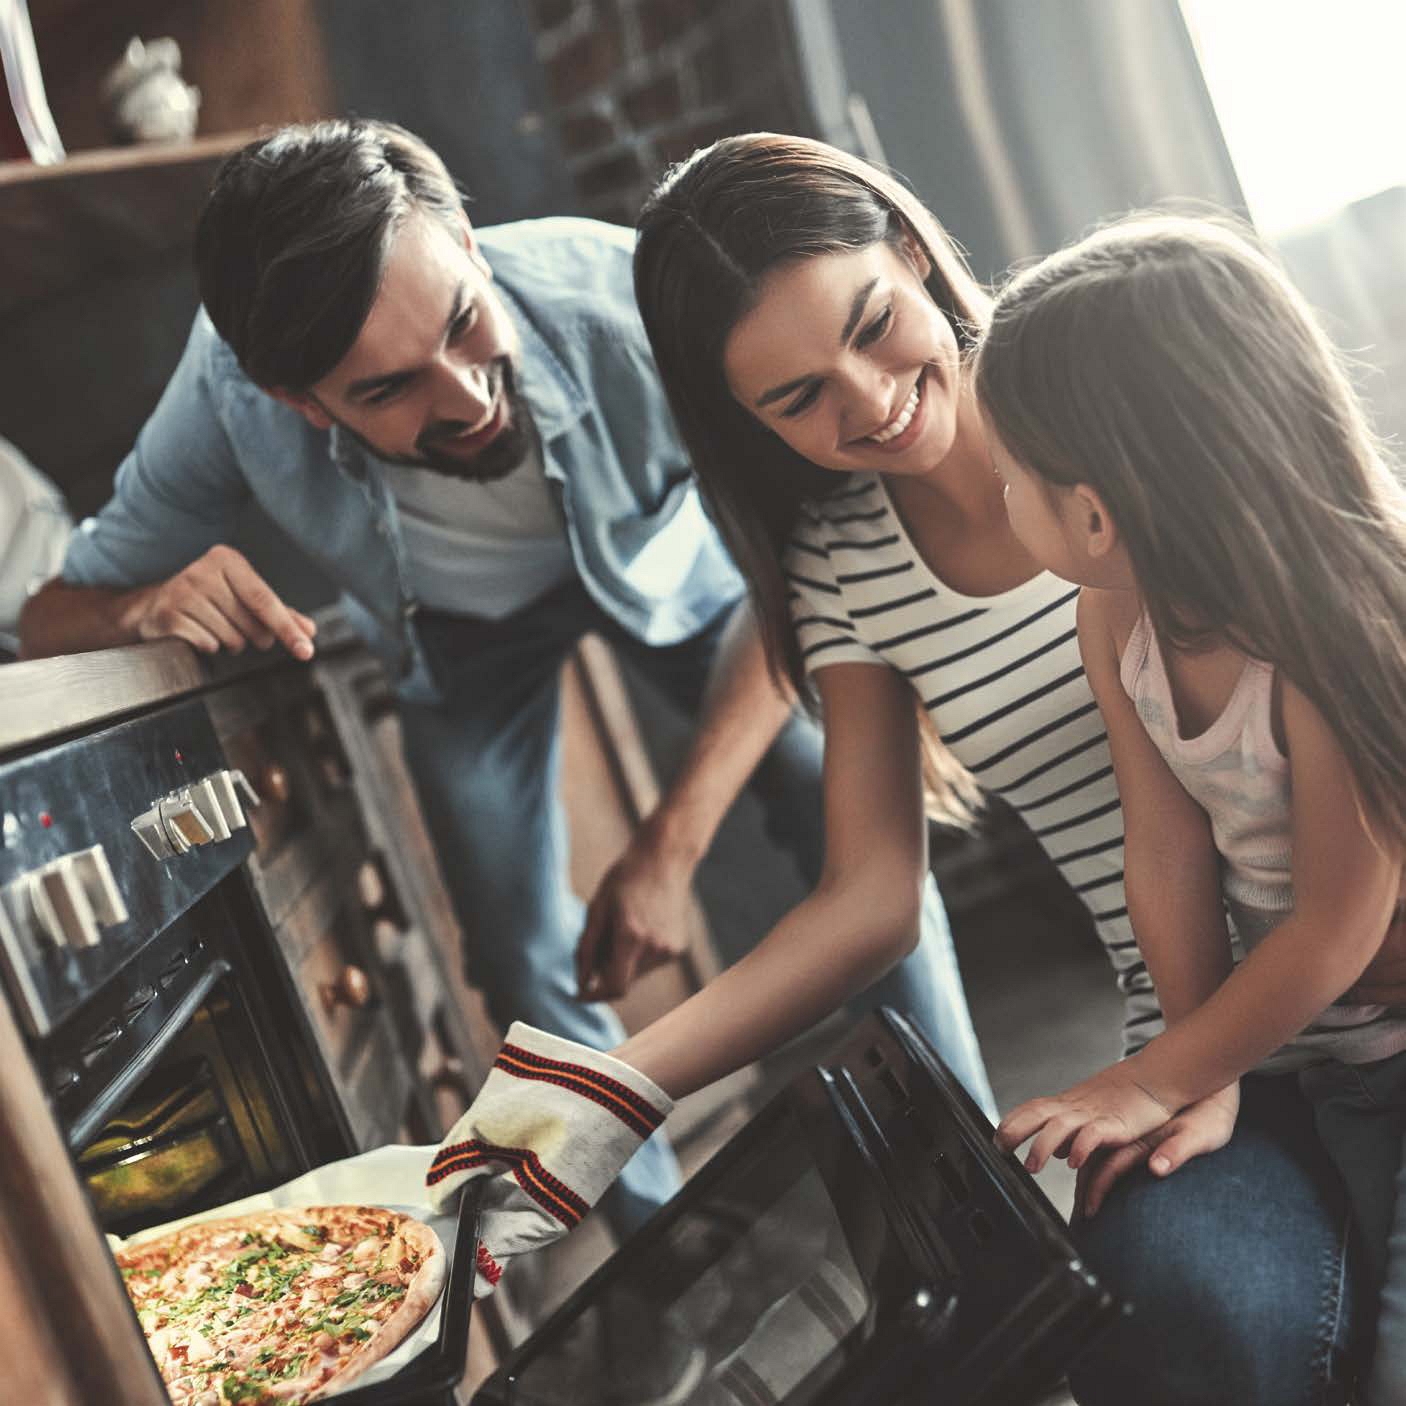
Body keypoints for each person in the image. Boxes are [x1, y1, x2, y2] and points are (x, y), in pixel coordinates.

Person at [426, 136, 1406, 1401]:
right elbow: (872, 893)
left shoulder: (1110, 377)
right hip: (1197, 1046)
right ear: (749, 423)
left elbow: (1345, 580)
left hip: (1349, 987)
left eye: (873, 324)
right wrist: (608, 1084)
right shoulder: (845, 566)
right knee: (1165, 1317)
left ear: (906, 245)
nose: (867, 401)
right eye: (796, 400)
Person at [17, 119, 991, 1235]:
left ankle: (969, 1200)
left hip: (677, 579)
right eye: (388, 389)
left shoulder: (625, 311)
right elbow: (49, 615)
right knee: (517, 944)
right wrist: (140, 604)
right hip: (461, 643)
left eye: (465, 324)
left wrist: (668, 846)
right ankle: (669, 1263)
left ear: (472, 246)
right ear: (300, 403)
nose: (468, 398)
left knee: (846, 811)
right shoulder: (231, 400)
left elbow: (805, 573)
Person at [982, 214, 1406, 1404]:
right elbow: (1164, 847)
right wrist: (1195, 1062)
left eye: (1011, 476)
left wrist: (1155, 1074)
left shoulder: (1339, 640)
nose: (997, 493)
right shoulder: (1115, 616)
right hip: (1313, 1052)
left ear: (1097, 514)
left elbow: (1336, 927)